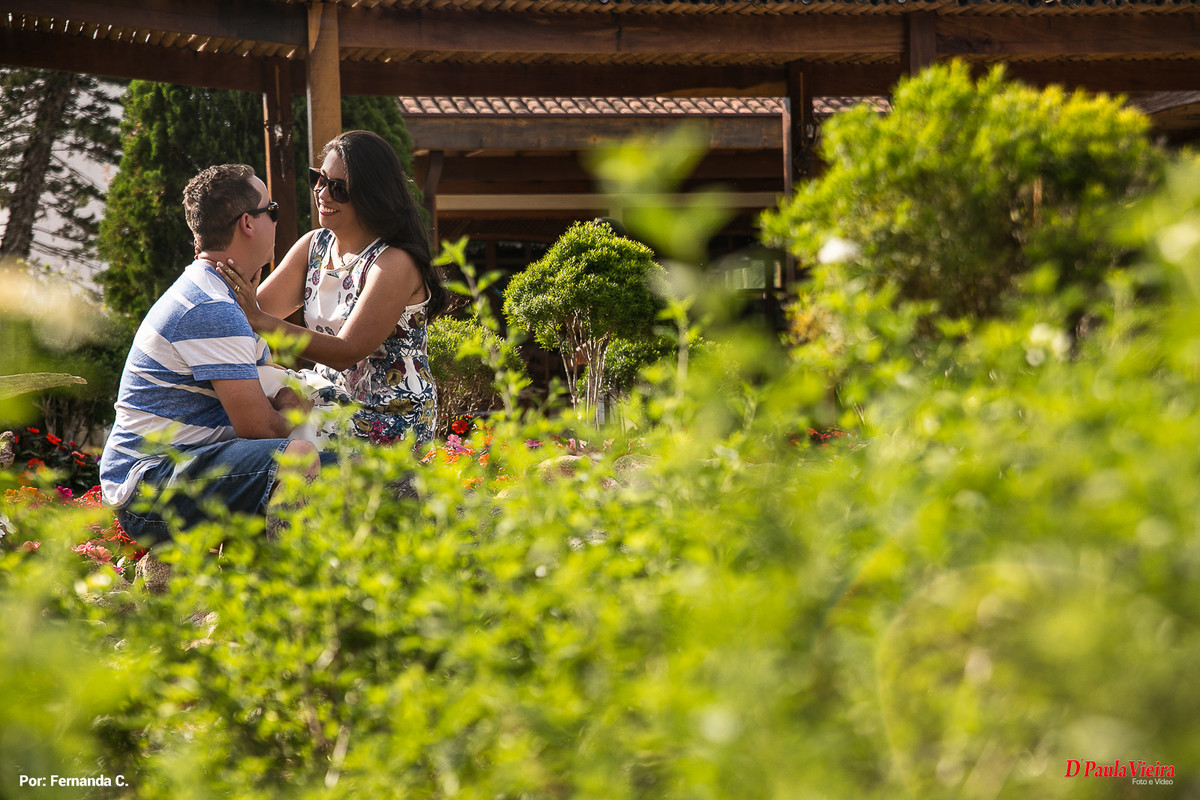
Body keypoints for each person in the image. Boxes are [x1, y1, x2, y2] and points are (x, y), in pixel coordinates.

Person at [100, 164, 333, 545]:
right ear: (247, 223)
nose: (277, 220)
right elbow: (260, 430)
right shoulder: (209, 306)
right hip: (150, 490)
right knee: (300, 458)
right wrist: (293, 408)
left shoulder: (218, 292)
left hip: (184, 470)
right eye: (271, 211)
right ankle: (290, 593)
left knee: (354, 468)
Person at [217, 130, 447, 448]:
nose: (322, 194)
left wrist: (260, 321)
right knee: (247, 391)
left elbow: (346, 351)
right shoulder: (314, 246)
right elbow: (248, 312)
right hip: (328, 396)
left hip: (388, 415)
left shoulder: (394, 263)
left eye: (338, 189)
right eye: (319, 179)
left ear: (372, 196)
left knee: (275, 432)